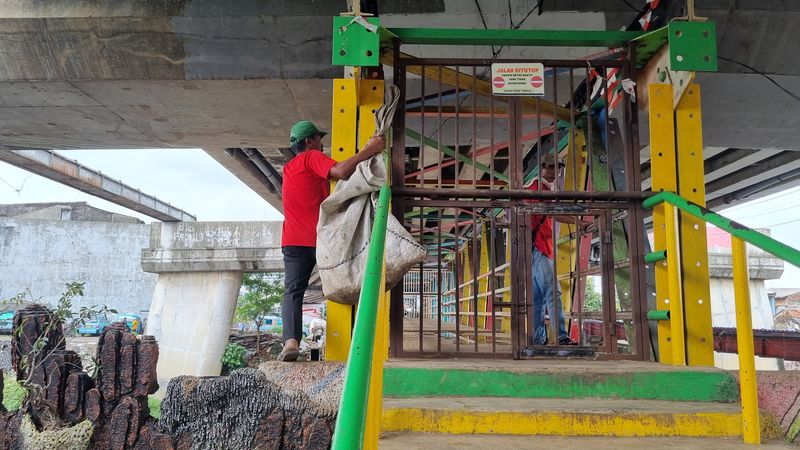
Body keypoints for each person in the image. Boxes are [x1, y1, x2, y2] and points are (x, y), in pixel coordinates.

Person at [278, 120, 385, 361]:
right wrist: (370, 149)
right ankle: (362, 333)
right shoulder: (310, 157)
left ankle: (291, 341)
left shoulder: (289, 168)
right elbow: (340, 172)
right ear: (309, 142)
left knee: (293, 291)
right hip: (321, 239)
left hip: (292, 241)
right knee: (351, 275)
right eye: (318, 139)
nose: (322, 144)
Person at [528, 153, 573, 346]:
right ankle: (562, 337)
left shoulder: (534, 187)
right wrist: (579, 221)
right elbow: (554, 213)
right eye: (551, 167)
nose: (555, 172)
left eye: (559, 168)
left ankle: (538, 339)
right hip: (540, 248)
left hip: (530, 249)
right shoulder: (539, 188)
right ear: (542, 168)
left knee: (537, 298)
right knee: (552, 293)